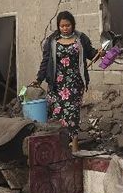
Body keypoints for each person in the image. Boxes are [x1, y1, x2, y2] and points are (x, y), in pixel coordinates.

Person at [31, 11, 103, 151]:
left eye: (68, 25)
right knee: (57, 114)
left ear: (73, 25)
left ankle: (74, 146)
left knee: (72, 113)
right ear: (58, 26)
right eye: (62, 26)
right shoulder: (51, 41)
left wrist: (100, 53)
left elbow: (91, 53)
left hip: (75, 83)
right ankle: (59, 146)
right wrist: (39, 79)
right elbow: (45, 61)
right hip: (56, 84)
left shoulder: (81, 38)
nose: (65, 28)